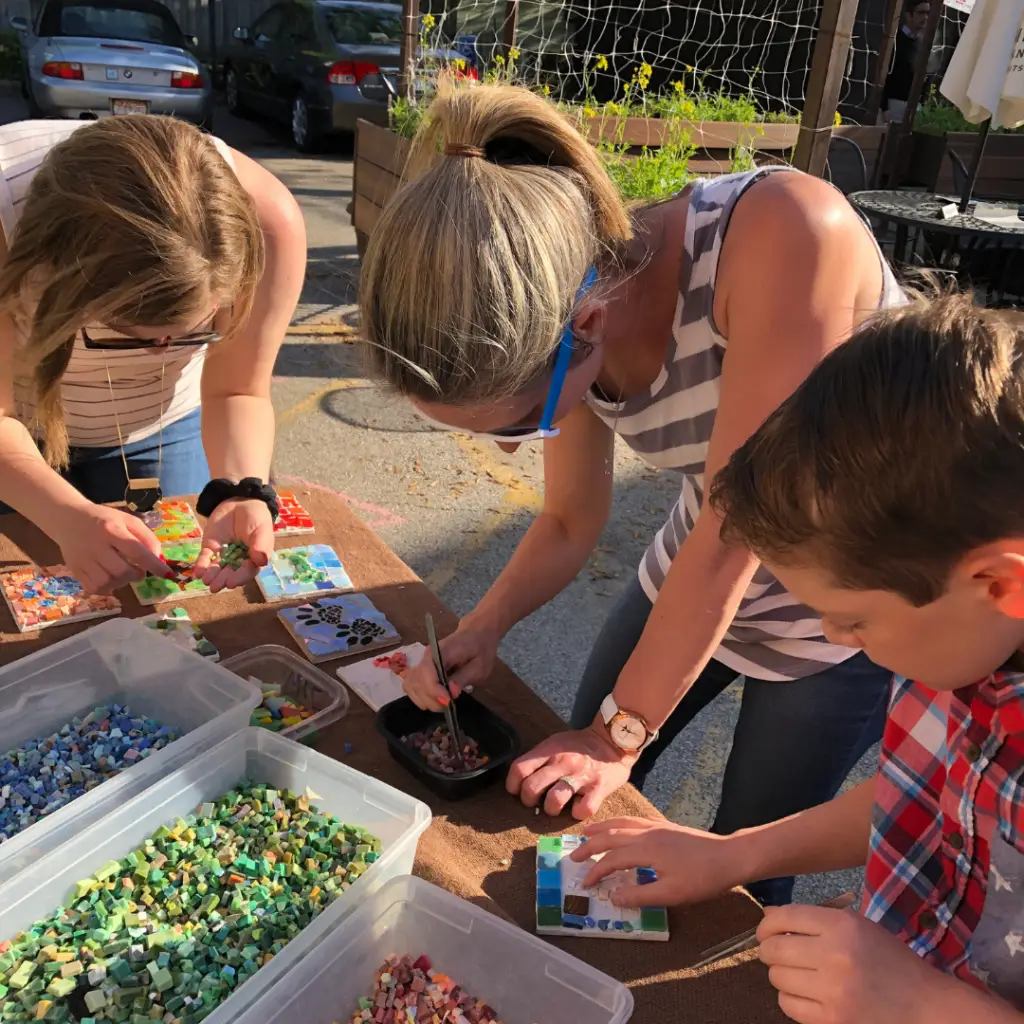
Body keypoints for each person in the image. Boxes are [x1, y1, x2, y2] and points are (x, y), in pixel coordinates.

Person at [359, 81, 904, 905]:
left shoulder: (787, 234)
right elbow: (572, 517)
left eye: (517, 421)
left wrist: (620, 734)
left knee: (743, 866)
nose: (510, 446)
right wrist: (486, 626)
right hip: (695, 562)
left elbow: (738, 532)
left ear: (586, 324)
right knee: (565, 799)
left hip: (843, 607)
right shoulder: (573, 293)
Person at [573, 294, 1024, 1023]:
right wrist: (735, 856)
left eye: (853, 620)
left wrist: (918, 1002)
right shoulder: (966, 638)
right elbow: (920, 794)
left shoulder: (958, 633)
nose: (838, 640)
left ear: (1000, 582)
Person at [0, 116, 307, 594]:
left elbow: (238, 389)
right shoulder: (5, 222)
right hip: (15, 427)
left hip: (162, 426)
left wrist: (241, 488)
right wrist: (65, 515)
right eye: (126, 336)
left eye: (190, 335)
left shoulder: (271, 225)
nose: (159, 359)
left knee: (162, 600)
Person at [881, 0, 930, 124]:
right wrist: (884, 107)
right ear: (908, 15)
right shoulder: (894, 40)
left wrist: (923, 104)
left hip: (915, 108)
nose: (925, 17)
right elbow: (883, 75)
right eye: (921, 13)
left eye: (928, 13)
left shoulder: (924, 43)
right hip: (893, 105)